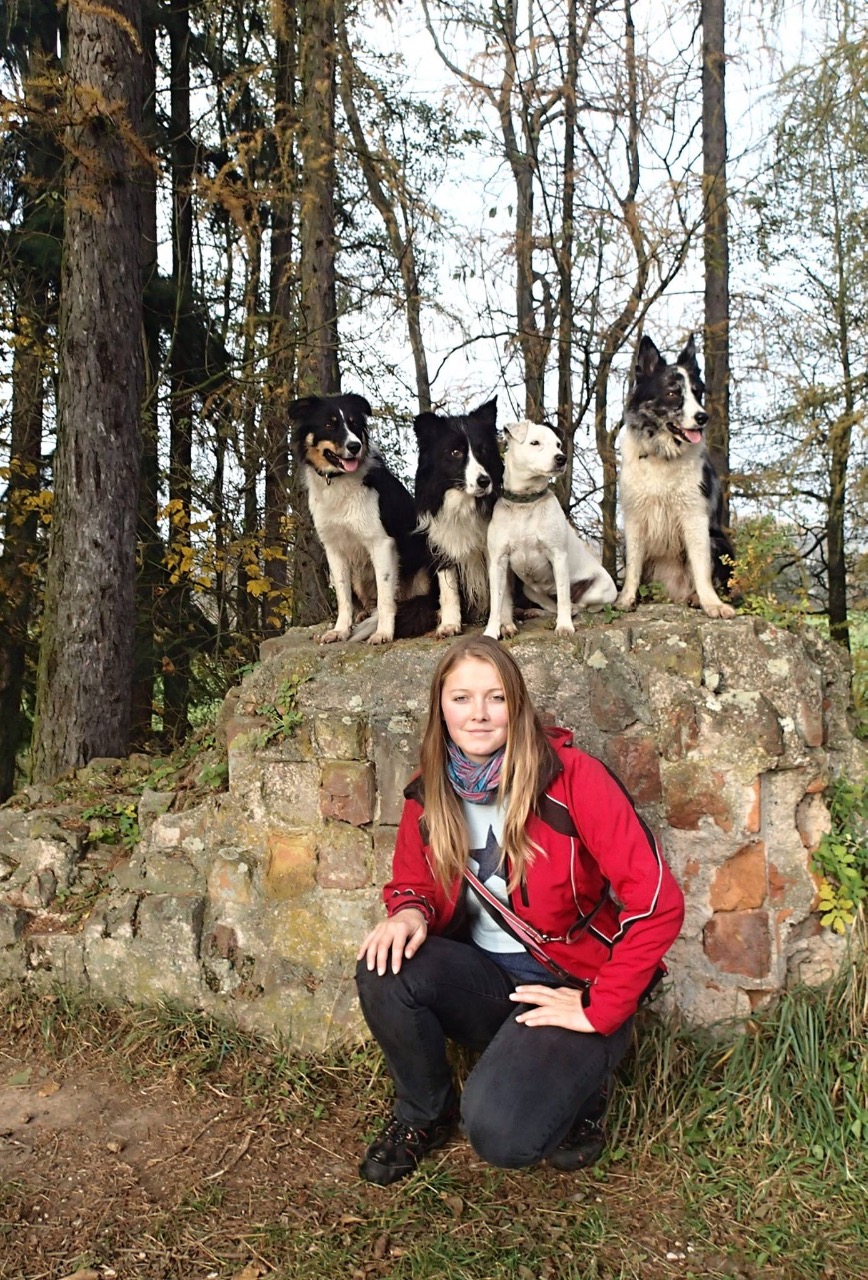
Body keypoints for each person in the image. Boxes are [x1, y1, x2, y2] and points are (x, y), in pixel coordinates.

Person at [356, 635, 684, 1186]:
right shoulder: (429, 789)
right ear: (441, 707)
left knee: (501, 1136)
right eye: (461, 698)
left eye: (496, 698)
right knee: (383, 967)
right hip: (487, 978)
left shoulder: (574, 779)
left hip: (571, 981)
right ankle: (423, 1114)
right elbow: (412, 881)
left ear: (518, 704)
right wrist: (409, 912)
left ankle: (584, 1081)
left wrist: (600, 1006)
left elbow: (657, 902)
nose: (479, 714)